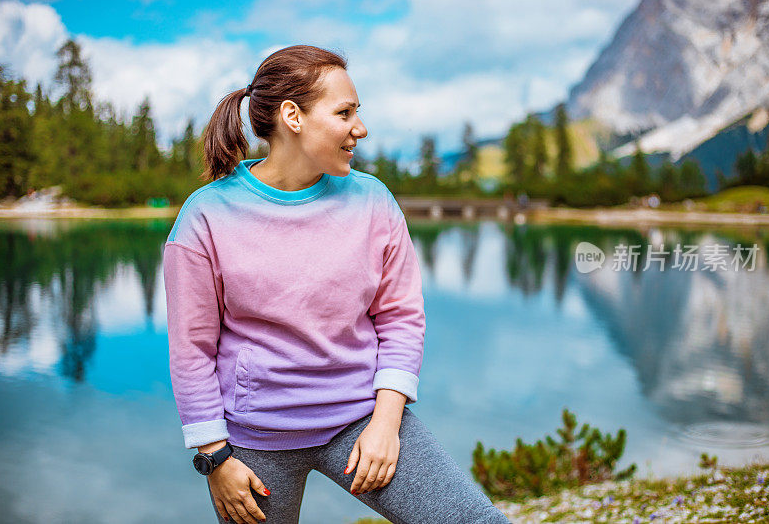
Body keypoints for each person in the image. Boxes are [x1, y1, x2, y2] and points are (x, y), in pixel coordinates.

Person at [163, 44, 510, 524]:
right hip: (253, 442)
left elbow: (401, 318)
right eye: (345, 113)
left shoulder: (373, 201)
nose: (359, 129)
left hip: (362, 419)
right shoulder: (205, 216)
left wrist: (387, 424)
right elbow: (191, 350)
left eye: (357, 113)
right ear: (293, 117)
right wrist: (215, 458)